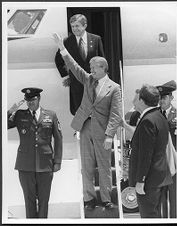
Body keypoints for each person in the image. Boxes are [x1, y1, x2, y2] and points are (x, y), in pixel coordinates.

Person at [53, 33, 122, 210]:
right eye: (90, 67)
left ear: (103, 68)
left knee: (104, 165)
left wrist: (109, 135)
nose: (90, 69)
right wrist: (63, 49)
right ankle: (89, 199)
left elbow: (115, 114)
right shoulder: (88, 80)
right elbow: (74, 68)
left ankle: (106, 199)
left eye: (93, 67)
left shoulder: (114, 88)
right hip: (84, 126)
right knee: (87, 165)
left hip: (103, 130)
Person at [8, 88, 63, 218]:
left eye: (33, 100)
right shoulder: (20, 115)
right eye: (28, 101)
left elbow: (59, 139)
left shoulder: (51, 115)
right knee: (29, 201)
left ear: (39, 99)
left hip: (45, 165)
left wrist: (57, 162)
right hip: (25, 165)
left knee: (44, 201)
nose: (30, 103)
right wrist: (10, 111)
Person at [128, 84, 173, 218]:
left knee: (149, 216)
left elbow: (145, 155)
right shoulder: (159, 116)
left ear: (142, 100)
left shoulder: (147, 121)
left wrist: (141, 180)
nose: (134, 102)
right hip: (160, 176)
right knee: (157, 215)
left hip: (149, 181)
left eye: (137, 99)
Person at [55, 14, 105, 116]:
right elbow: (58, 60)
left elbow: (102, 61)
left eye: (77, 26)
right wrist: (68, 76)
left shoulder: (96, 39)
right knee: (80, 114)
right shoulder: (67, 41)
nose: (74, 29)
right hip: (77, 84)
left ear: (84, 25)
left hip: (94, 84)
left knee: (95, 113)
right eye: (72, 26)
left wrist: (103, 80)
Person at [157, 80, 177, 218]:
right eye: (159, 98)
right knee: (160, 199)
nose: (161, 100)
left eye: (164, 97)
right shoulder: (155, 115)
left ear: (171, 98)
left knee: (175, 198)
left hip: (175, 163)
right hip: (159, 163)